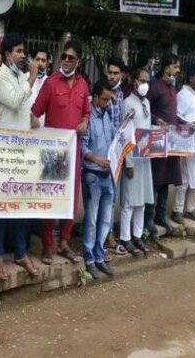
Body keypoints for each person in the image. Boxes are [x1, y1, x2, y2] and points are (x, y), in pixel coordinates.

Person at [32, 40, 89, 265]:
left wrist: (84, 121)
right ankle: (47, 245)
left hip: (73, 150)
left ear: (79, 61)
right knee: (51, 197)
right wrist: (35, 125)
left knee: (70, 198)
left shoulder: (84, 85)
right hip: (52, 152)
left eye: (71, 58)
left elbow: (86, 113)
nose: (66, 60)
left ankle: (64, 243)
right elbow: (35, 112)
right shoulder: (50, 83)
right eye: (63, 56)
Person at [0, 33, 40, 280]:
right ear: (8, 53)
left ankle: (20, 252)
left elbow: (22, 106)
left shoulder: (20, 76)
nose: (23, 56)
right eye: (19, 51)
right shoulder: (1, 77)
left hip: (22, 151)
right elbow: (12, 101)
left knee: (21, 205)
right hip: (4, 152)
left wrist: (30, 117)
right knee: (2, 206)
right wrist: (32, 77)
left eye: (24, 52)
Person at [143, 53, 182, 238]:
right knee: (155, 180)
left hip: (172, 142)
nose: (178, 70)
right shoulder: (155, 86)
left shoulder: (173, 87)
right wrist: (156, 120)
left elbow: (173, 114)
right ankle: (148, 218)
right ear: (167, 67)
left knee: (166, 180)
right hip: (157, 141)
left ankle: (160, 216)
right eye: (175, 67)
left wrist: (185, 123)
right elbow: (145, 110)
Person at [81, 80, 116, 279]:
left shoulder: (106, 116)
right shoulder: (88, 119)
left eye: (109, 100)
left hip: (107, 174)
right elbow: (82, 147)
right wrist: (95, 158)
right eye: (104, 99)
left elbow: (113, 137)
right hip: (93, 174)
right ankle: (89, 259)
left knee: (105, 220)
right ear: (94, 98)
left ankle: (99, 256)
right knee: (92, 221)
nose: (107, 103)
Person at [120, 68, 153, 255]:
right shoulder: (127, 103)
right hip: (132, 156)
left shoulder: (146, 102)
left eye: (148, 80)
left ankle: (137, 235)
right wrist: (128, 162)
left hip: (145, 157)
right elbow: (126, 134)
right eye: (142, 80)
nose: (145, 84)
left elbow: (147, 128)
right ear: (134, 82)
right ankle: (125, 238)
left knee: (141, 201)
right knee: (129, 201)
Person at [172, 66, 195, 223]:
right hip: (188, 142)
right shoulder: (183, 95)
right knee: (185, 176)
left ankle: (190, 209)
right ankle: (177, 210)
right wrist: (188, 123)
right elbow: (177, 116)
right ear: (190, 78)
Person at [104, 56, 127, 255]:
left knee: (112, 196)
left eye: (115, 73)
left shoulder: (120, 95)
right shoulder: (101, 92)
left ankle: (108, 232)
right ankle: (104, 234)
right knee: (102, 196)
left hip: (116, 152)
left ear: (122, 75)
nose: (111, 77)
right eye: (109, 73)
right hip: (102, 152)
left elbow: (120, 123)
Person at [28, 47, 50, 126]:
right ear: (32, 60)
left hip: (44, 132)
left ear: (47, 63)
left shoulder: (51, 82)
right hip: (25, 129)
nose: (40, 63)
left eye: (43, 60)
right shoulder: (24, 79)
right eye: (37, 59)